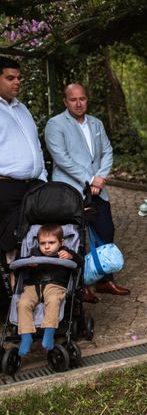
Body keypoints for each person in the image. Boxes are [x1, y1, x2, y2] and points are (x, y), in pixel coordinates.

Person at [44, 84, 130, 302]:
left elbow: (108, 151)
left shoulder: (96, 123)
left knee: (106, 231)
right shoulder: (55, 125)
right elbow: (62, 159)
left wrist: (99, 178)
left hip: (97, 190)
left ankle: (104, 279)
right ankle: (79, 285)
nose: (79, 103)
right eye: (73, 99)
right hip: (70, 192)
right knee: (74, 239)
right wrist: (90, 178)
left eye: (82, 98)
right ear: (65, 101)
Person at [0, 57, 47, 254]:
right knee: (7, 242)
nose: (17, 82)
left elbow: (35, 146)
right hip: (6, 189)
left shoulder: (23, 109)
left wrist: (42, 177)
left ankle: (33, 283)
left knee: (38, 237)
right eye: (10, 78)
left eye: (19, 78)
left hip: (34, 186)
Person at [17, 223, 81, 355]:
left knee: (53, 300)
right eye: (42, 243)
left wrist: (71, 257)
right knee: (22, 303)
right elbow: (19, 263)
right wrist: (29, 262)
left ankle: (49, 332)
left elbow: (80, 262)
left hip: (55, 285)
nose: (46, 247)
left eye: (51, 243)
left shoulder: (65, 252)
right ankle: (26, 336)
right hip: (33, 286)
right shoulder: (34, 253)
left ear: (61, 242)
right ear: (38, 243)